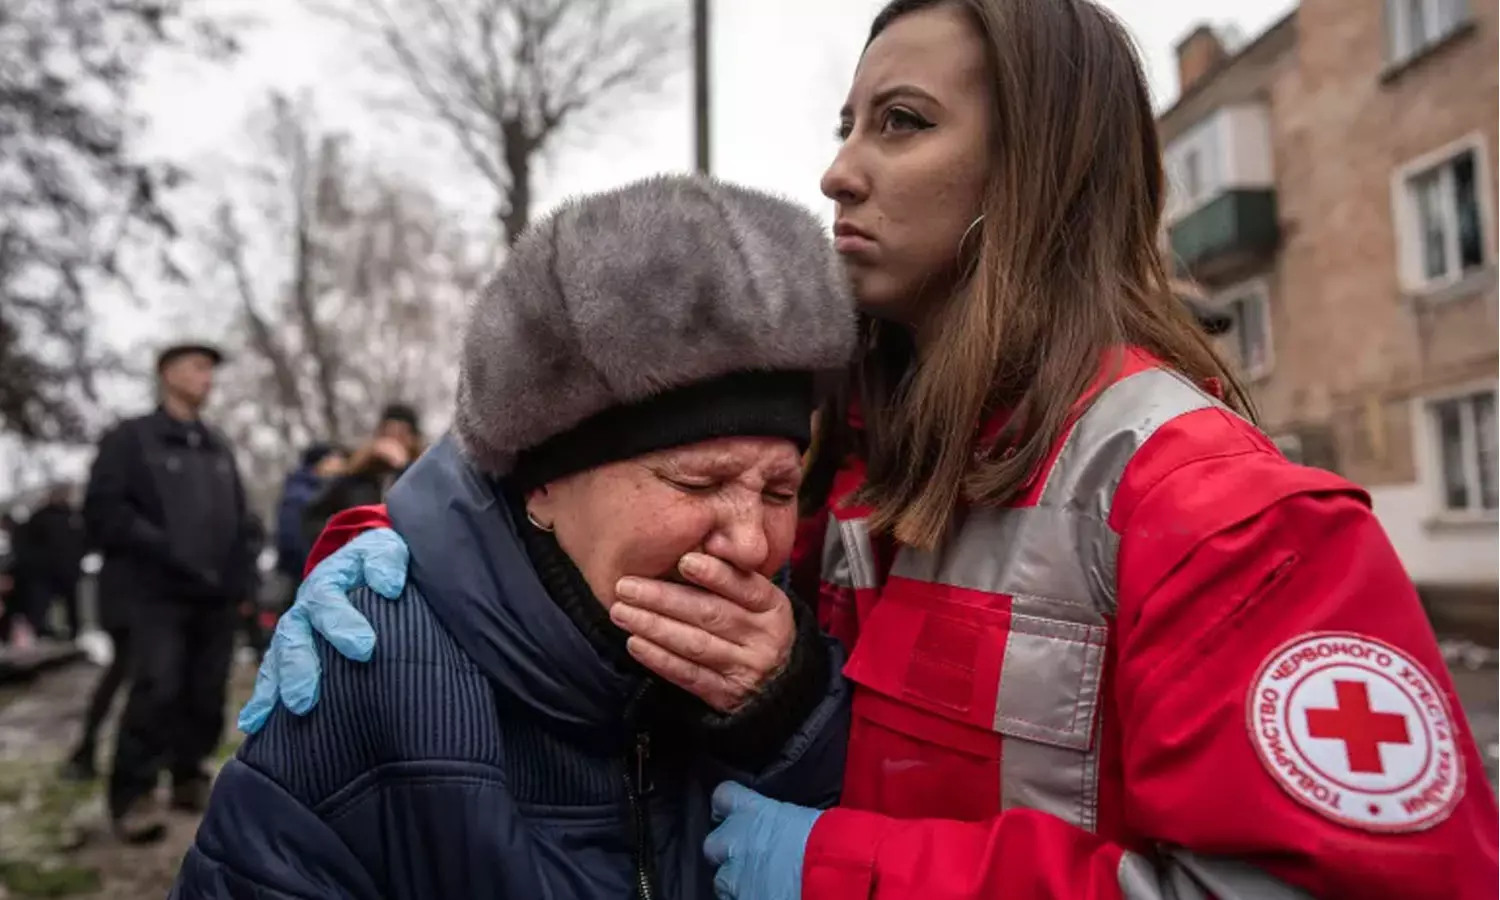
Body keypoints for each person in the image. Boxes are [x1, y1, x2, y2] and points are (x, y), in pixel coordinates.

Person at [244, 2, 1500, 898]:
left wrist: (841, 871)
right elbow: (573, 476)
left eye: (900, 124)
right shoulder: (846, 434)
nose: (839, 172)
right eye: (846, 121)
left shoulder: (1222, 516)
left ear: (1039, 170)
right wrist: (394, 566)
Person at [172, 175, 855, 899]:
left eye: (779, 491)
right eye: (696, 483)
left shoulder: (794, 662)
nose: (753, 545)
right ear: (545, 484)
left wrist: (791, 721)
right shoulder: (367, 667)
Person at [82, 341, 256, 842]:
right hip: (153, 593)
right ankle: (133, 792)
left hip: (215, 597)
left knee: (206, 691)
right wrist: (165, 549)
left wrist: (240, 566)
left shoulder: (217, 446)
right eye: (199, 367)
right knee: (157, 686)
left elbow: (240, 516)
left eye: (211, 369)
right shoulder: (131, 439)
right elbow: (105, 512)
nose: (208, 377)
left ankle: (188, 775)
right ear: (167, 373)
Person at [300, 405, 421, 549]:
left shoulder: (421, 478)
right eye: (388, 433)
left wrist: (403, 467)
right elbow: (313, 518)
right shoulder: (356, 478)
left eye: (401, 434)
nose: (392, 442)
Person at [11, 485, 85, 640]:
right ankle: (43, 631)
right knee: (42, 605)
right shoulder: (43, 518)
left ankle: (72, 633)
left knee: (68, 606)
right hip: (48, 570)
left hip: (63, 569)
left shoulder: (72, 517)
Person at [274, 442, 347, 590]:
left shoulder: (327, 492)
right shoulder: (300, 495)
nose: (341, 464)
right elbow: (291, 539)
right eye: (334, 459)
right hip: (305, 577)